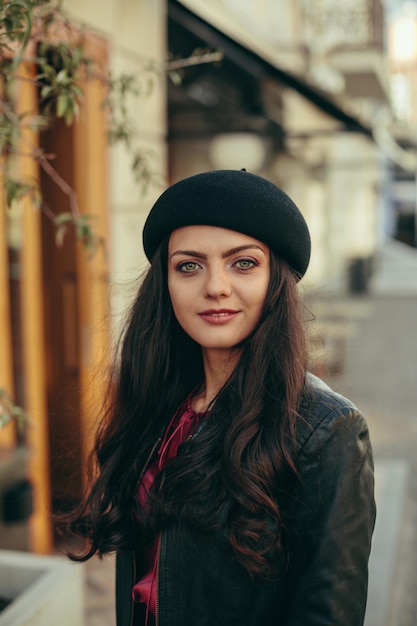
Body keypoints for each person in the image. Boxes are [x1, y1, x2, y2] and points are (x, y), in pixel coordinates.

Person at [68, 170, 376, 626]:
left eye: (243, 263)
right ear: (165, 284)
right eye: (189, 265)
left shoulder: (326, 430)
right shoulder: (160, 405)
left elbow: (326, 613)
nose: (215, 286)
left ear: (277, 279)